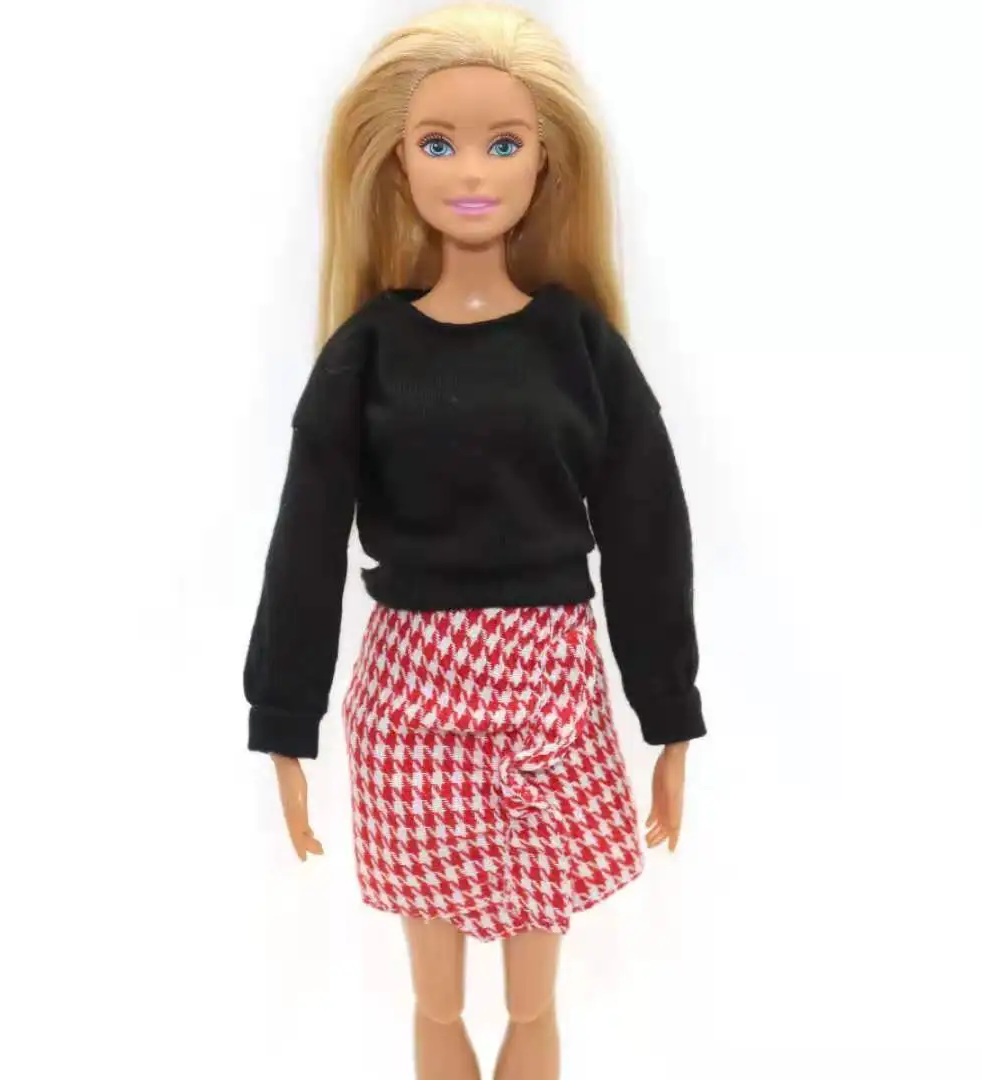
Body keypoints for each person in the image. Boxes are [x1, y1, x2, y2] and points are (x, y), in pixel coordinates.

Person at [243, 4, 708, 1078]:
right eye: (437, 142)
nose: (470, 172)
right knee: (438, 1001)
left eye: (504, 143)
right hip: (412, 688)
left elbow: (646, 528)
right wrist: (284, 717)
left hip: (549, 681)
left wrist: (669, 714)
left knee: (534, 1001)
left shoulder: (578, 344)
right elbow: (304, 539)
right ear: (394, 162)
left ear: (547, 162)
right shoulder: (366, 354)